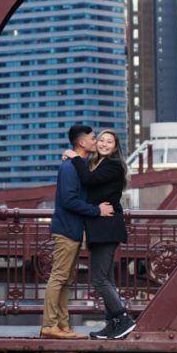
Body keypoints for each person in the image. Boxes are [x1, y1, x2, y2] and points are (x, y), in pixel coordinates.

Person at [41, 124, 114, 340]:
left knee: (66, 279)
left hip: (72, 230)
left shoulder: (77, 164)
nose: (96, 141)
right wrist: (97, 211)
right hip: (66, 229)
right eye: (92, 138)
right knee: (59, 277)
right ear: (82, 142)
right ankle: (50, 325)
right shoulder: (70, 168)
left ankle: (62, 326)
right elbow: (69, 200)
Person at [64, 129, 136, 339]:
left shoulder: (113, 166)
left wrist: (75, 156)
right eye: (101, 140)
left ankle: (123, 319)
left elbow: (88, 180)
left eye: (109, 142)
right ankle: (112, 325)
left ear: (115, 147)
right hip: (99, 226)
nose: (103, 144)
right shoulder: (99, 164)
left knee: (98, 279)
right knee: (108, 280)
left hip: (107, 226)